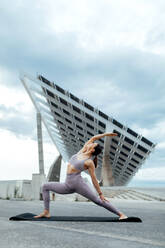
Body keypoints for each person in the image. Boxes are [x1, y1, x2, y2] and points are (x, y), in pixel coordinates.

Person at [34, 132, 128, 220]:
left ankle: (121, 214)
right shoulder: (81, 152)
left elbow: (94, 179)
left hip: (79, 185)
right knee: (45, 186)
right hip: (67, 185)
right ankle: (46, 212)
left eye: (92, 144)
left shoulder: (89, 162)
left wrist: (100, 194)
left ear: (92, 149)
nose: (91, 143)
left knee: (98, 201)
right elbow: (93, 138)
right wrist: (106, 134)